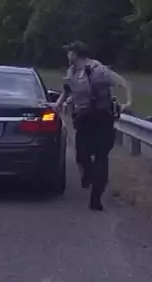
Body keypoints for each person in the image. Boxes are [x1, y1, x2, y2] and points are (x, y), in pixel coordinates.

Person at [55, 41, 132, 211]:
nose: (67, 56)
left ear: (76, 54)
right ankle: (88, 176)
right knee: (82, 154)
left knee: (100, 157)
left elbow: (122, 82)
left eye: (69, 52)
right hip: (83, 118)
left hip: (102, 118)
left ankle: (95, 198)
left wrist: (127, 102)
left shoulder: (98, 70)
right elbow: (67, 91)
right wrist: (57, 104)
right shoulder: (72, 71)